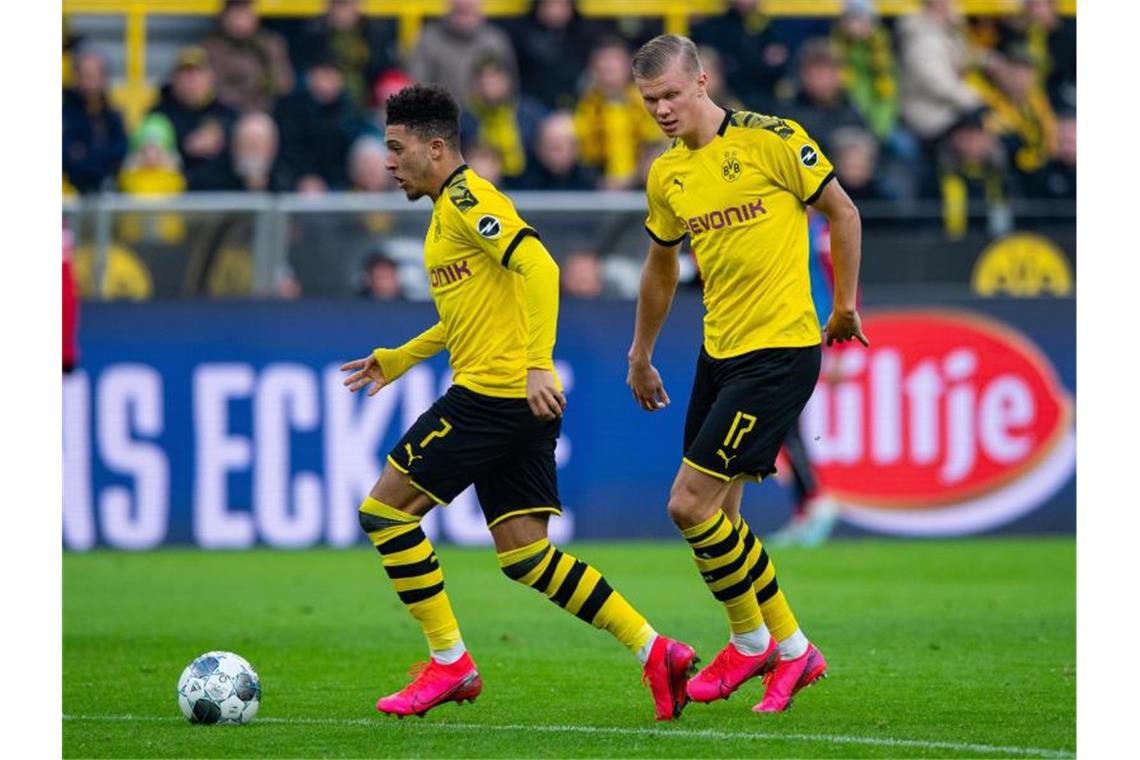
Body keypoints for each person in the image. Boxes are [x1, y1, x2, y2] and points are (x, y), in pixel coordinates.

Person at [339, 84, 696, 722]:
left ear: (435, 146)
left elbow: (540, 266)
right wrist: (400, 357)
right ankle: (654, 649)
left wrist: (537, 365)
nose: (389, 162)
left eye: (397, 149)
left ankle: (450, 663)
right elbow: (470, 317)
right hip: (519, 403)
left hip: (492, 396)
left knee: (385, 515)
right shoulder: (448, 212)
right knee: (526, 555)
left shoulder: (469, 199)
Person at [627, 35, 868, 714]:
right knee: (722, 520)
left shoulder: (773, 140)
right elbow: (661, 266)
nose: (664, 110)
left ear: (702, 80)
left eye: (672, 94)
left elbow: (842, 212)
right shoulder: (667, 174)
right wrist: (640, 353)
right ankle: (793, 651)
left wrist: (845, 305)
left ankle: (751, 638)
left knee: (688, 505)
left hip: (781, 352)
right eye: (651, 102)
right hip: (719, 353)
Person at [151, 47, 238, 191]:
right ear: (174, 79)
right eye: (185, 74)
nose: (191, 80)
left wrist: (223, 137)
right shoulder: (158, 114)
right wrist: (184, 147)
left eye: (197, 74)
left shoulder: (226, 113)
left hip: (222, 190)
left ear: (210, 77)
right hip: (174, 191)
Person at [201, 0, 294, 113]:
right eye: (236, 14)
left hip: (271, 110)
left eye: (245, 13)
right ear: (224, 17)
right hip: (229, 112)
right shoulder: (212, 48)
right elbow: (215, 89)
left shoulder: (271, 44)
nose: (240, 20)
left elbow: (284, 83)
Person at [63, 49, 128, 194]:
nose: (89, 82)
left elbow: (120, 153)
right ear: (75, 77)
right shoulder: (64, 114)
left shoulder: (113, 115)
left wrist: (84, 155)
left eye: (94, 75)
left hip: (105, 192)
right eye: (84, 75)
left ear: (104, 78)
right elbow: (66, 157)